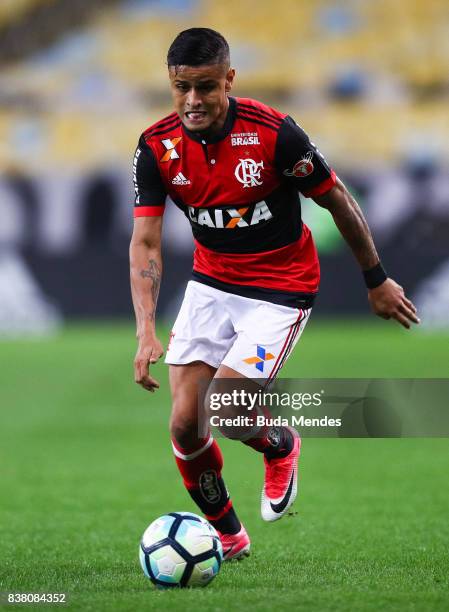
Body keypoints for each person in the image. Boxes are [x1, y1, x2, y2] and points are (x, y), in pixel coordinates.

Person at [129, 28, 419, 560]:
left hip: (279, 288)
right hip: (211, 283)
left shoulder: (275, 134)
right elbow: (146, 241)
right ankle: (230, 538)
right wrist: (146, 330)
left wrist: (376, 279)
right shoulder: (156, 146)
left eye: (206, 87)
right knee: (185, 423)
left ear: (229, 81)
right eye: (181, 88)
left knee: (232, 411)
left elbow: (339, 201)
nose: (193, 101)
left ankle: (280, 444)